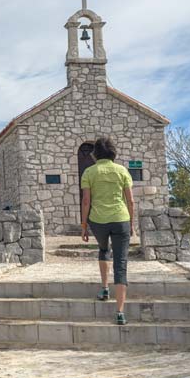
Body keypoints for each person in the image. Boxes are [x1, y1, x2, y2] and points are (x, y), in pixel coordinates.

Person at [80, 136, 134, 325]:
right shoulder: (122, 171)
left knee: (104, 249)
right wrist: (132, 223)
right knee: (121, 264)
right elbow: (130, 201)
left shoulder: (89, 172)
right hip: (121, 219)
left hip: (98, 221)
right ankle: (120, 312)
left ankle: (104, 288)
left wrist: (84, 225)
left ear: (95, 154)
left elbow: (86, 201)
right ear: (113, 152)